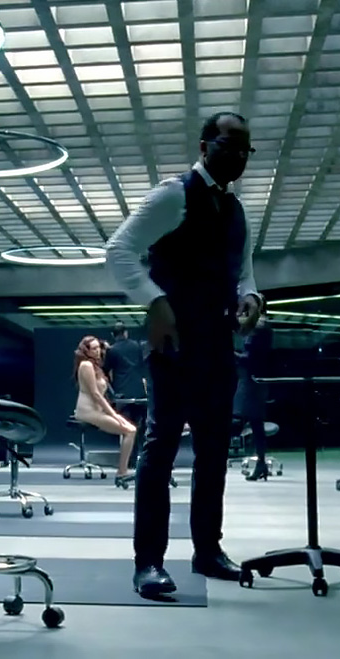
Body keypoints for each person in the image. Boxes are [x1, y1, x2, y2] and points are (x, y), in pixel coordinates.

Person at [105, 110, 263, 598]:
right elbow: (119, 249)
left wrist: (251, 297)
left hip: (218, 343)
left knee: (214, 450)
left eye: (245, 150)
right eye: (228, 145)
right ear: (203, 146)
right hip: (173, 343)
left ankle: (207, 550)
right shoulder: (173, 195)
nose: (237, 156)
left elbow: (244, 272)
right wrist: (154, 301)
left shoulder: (237, 211)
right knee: (162, 448)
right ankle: (148, 562)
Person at [71, 335, 137, 478]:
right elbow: (95, 394)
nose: (97, 351)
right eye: (93, 348)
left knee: (131, 430)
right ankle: (122, 471)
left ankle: (123, 470)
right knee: (129, 431)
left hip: (97, 410)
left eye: (98, 348)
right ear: (86, 351)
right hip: (87, 411)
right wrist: (113, 414)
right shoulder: (86, 365)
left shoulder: (96, 367)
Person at [103, 321, 149, 466]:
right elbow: (142, 367)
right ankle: (144, 457)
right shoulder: (137, 346)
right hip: (139, 391)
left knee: (127, 427)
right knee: (143, 426)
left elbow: (105, 371)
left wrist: (111, 389)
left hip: (122, 393)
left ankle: (130, 459)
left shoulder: (112, 350)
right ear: (126, 332)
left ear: (113, 335)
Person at [235, 313, 273, 481]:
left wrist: (232, 354)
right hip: (252, 381)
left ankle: (261, 462)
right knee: (255, 423)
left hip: (253, 382)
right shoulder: (259, 327)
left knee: (254, 422)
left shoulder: (260, 328)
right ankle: (261, 462)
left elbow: (252, 359)